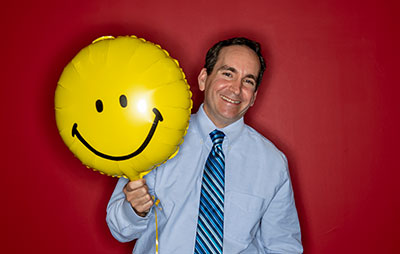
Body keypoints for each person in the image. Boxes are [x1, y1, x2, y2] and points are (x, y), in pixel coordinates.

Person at [106, 37, 303, 253]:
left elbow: (283, 245)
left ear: (254, 97)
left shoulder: (272, 163)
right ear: (203, 78)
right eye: (228, 73)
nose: (236, 89)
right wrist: (134, 209)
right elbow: (119, 230)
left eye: (248, 81)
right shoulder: (155, 140)